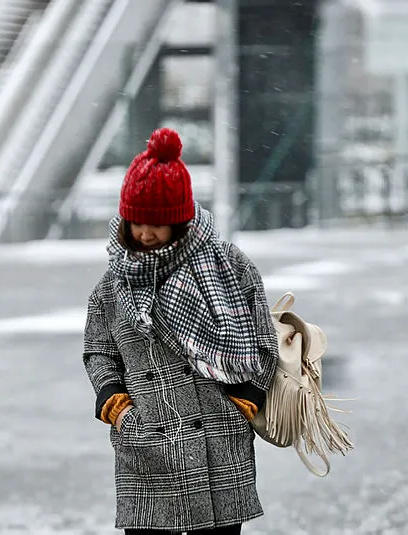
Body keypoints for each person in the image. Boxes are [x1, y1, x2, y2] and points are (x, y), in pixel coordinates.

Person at [82, 127, 279, 535]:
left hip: (217, 437)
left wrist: (247, 396)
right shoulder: (113, 284)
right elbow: (98, 349)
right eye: (136, 222)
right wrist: (115, 402)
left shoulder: (229, 267)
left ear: (180, 221)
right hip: (147, 440)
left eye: (156, 223)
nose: (144, 233)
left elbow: (263, 339)